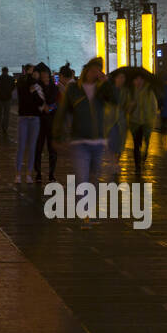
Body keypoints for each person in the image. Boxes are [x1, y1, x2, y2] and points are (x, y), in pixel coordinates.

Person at [53, 57, 120, 225]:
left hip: (98, 141)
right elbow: (62, 113)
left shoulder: (102, 89)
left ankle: (89, 210)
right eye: (93, 70)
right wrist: (57, 136)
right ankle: (84, 214)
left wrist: (107, 83)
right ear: (86, 70)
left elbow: (116, 100)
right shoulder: (73, 89)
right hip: (79, 141)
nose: (95, 73)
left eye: (99, 70)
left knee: (93, 179)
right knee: (82, 177)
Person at [14, 65, 44, 184]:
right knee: (21, 147)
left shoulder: (37, 86)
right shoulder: (21, 84)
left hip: (34, 118)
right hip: (24, 118)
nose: (33, 75)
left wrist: (33, 93)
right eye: (31, 72)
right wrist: (31, 91)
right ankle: (18, 174)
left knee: (32, 148)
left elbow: (41, 101)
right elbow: (23, 99)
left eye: (34, 73)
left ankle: (28, 174)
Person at [125, 74, 159, 174]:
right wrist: (130, 106)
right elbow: (126, 105)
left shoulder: (149, 92)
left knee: (146, 141)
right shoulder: (130, 92)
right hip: (134, 122)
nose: (138, 81)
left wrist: (152, 118)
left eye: (140, 79)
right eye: (136, 79)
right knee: (136, 144)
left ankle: (145, 152)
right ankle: (137, 165)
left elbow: (154, 106)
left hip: (146, 122)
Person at [34, 63, 59, 182]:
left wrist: (49, 107)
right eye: (42, 73)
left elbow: (55, 101)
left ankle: (51, 173)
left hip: (52, 121)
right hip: (39, 122)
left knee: (52, 149)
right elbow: (34, 102)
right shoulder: (37, 87)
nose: (44, 75)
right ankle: (38, 173)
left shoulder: (54, 87)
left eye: (46, 73)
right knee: (38, 148)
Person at [0, 66, 16, 138]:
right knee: (6, 114)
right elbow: (13, 87)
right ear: (7, 71)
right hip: (7, 98)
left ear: (2, 71)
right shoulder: (11, 79)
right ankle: (5, 128)